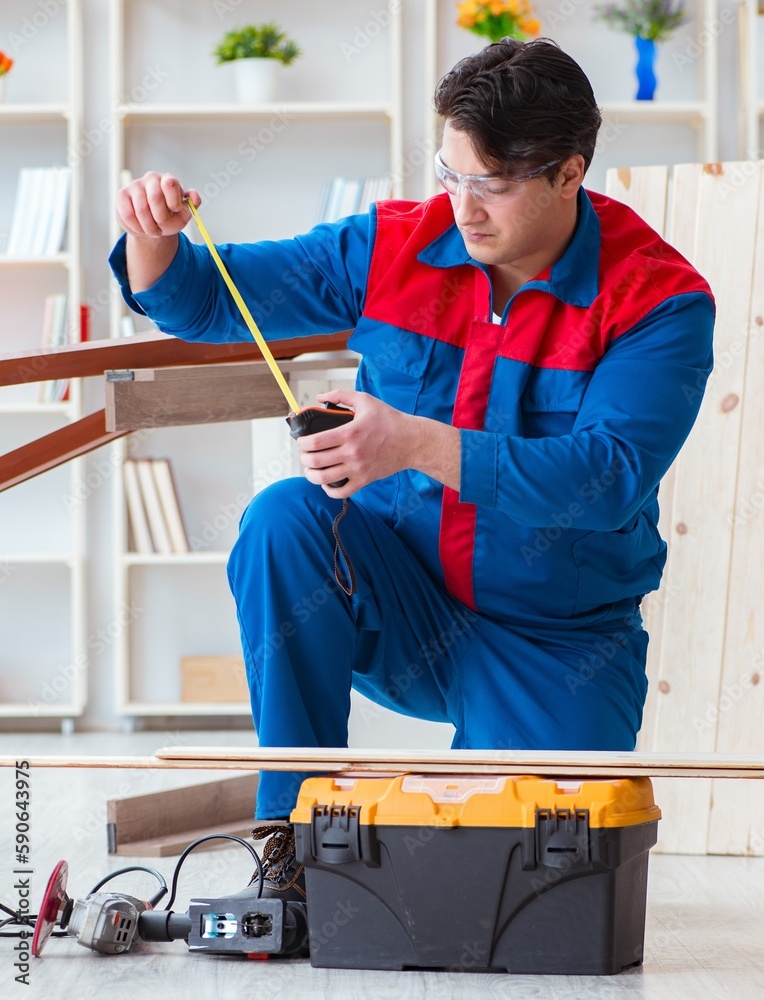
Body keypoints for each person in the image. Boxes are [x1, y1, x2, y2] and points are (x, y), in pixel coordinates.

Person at [109, 38, 714, 902]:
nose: (463, 206)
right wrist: (151, 242)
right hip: (399, 599)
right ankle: (293, 835)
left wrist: (417, 442)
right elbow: (210, 296)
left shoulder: (660, 302)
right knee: (285, 519)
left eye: (492, 183)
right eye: (451, 173)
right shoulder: (395, 244)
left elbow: (609, 476)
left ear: (570, 170)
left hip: (554, 645)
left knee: (509, 892)